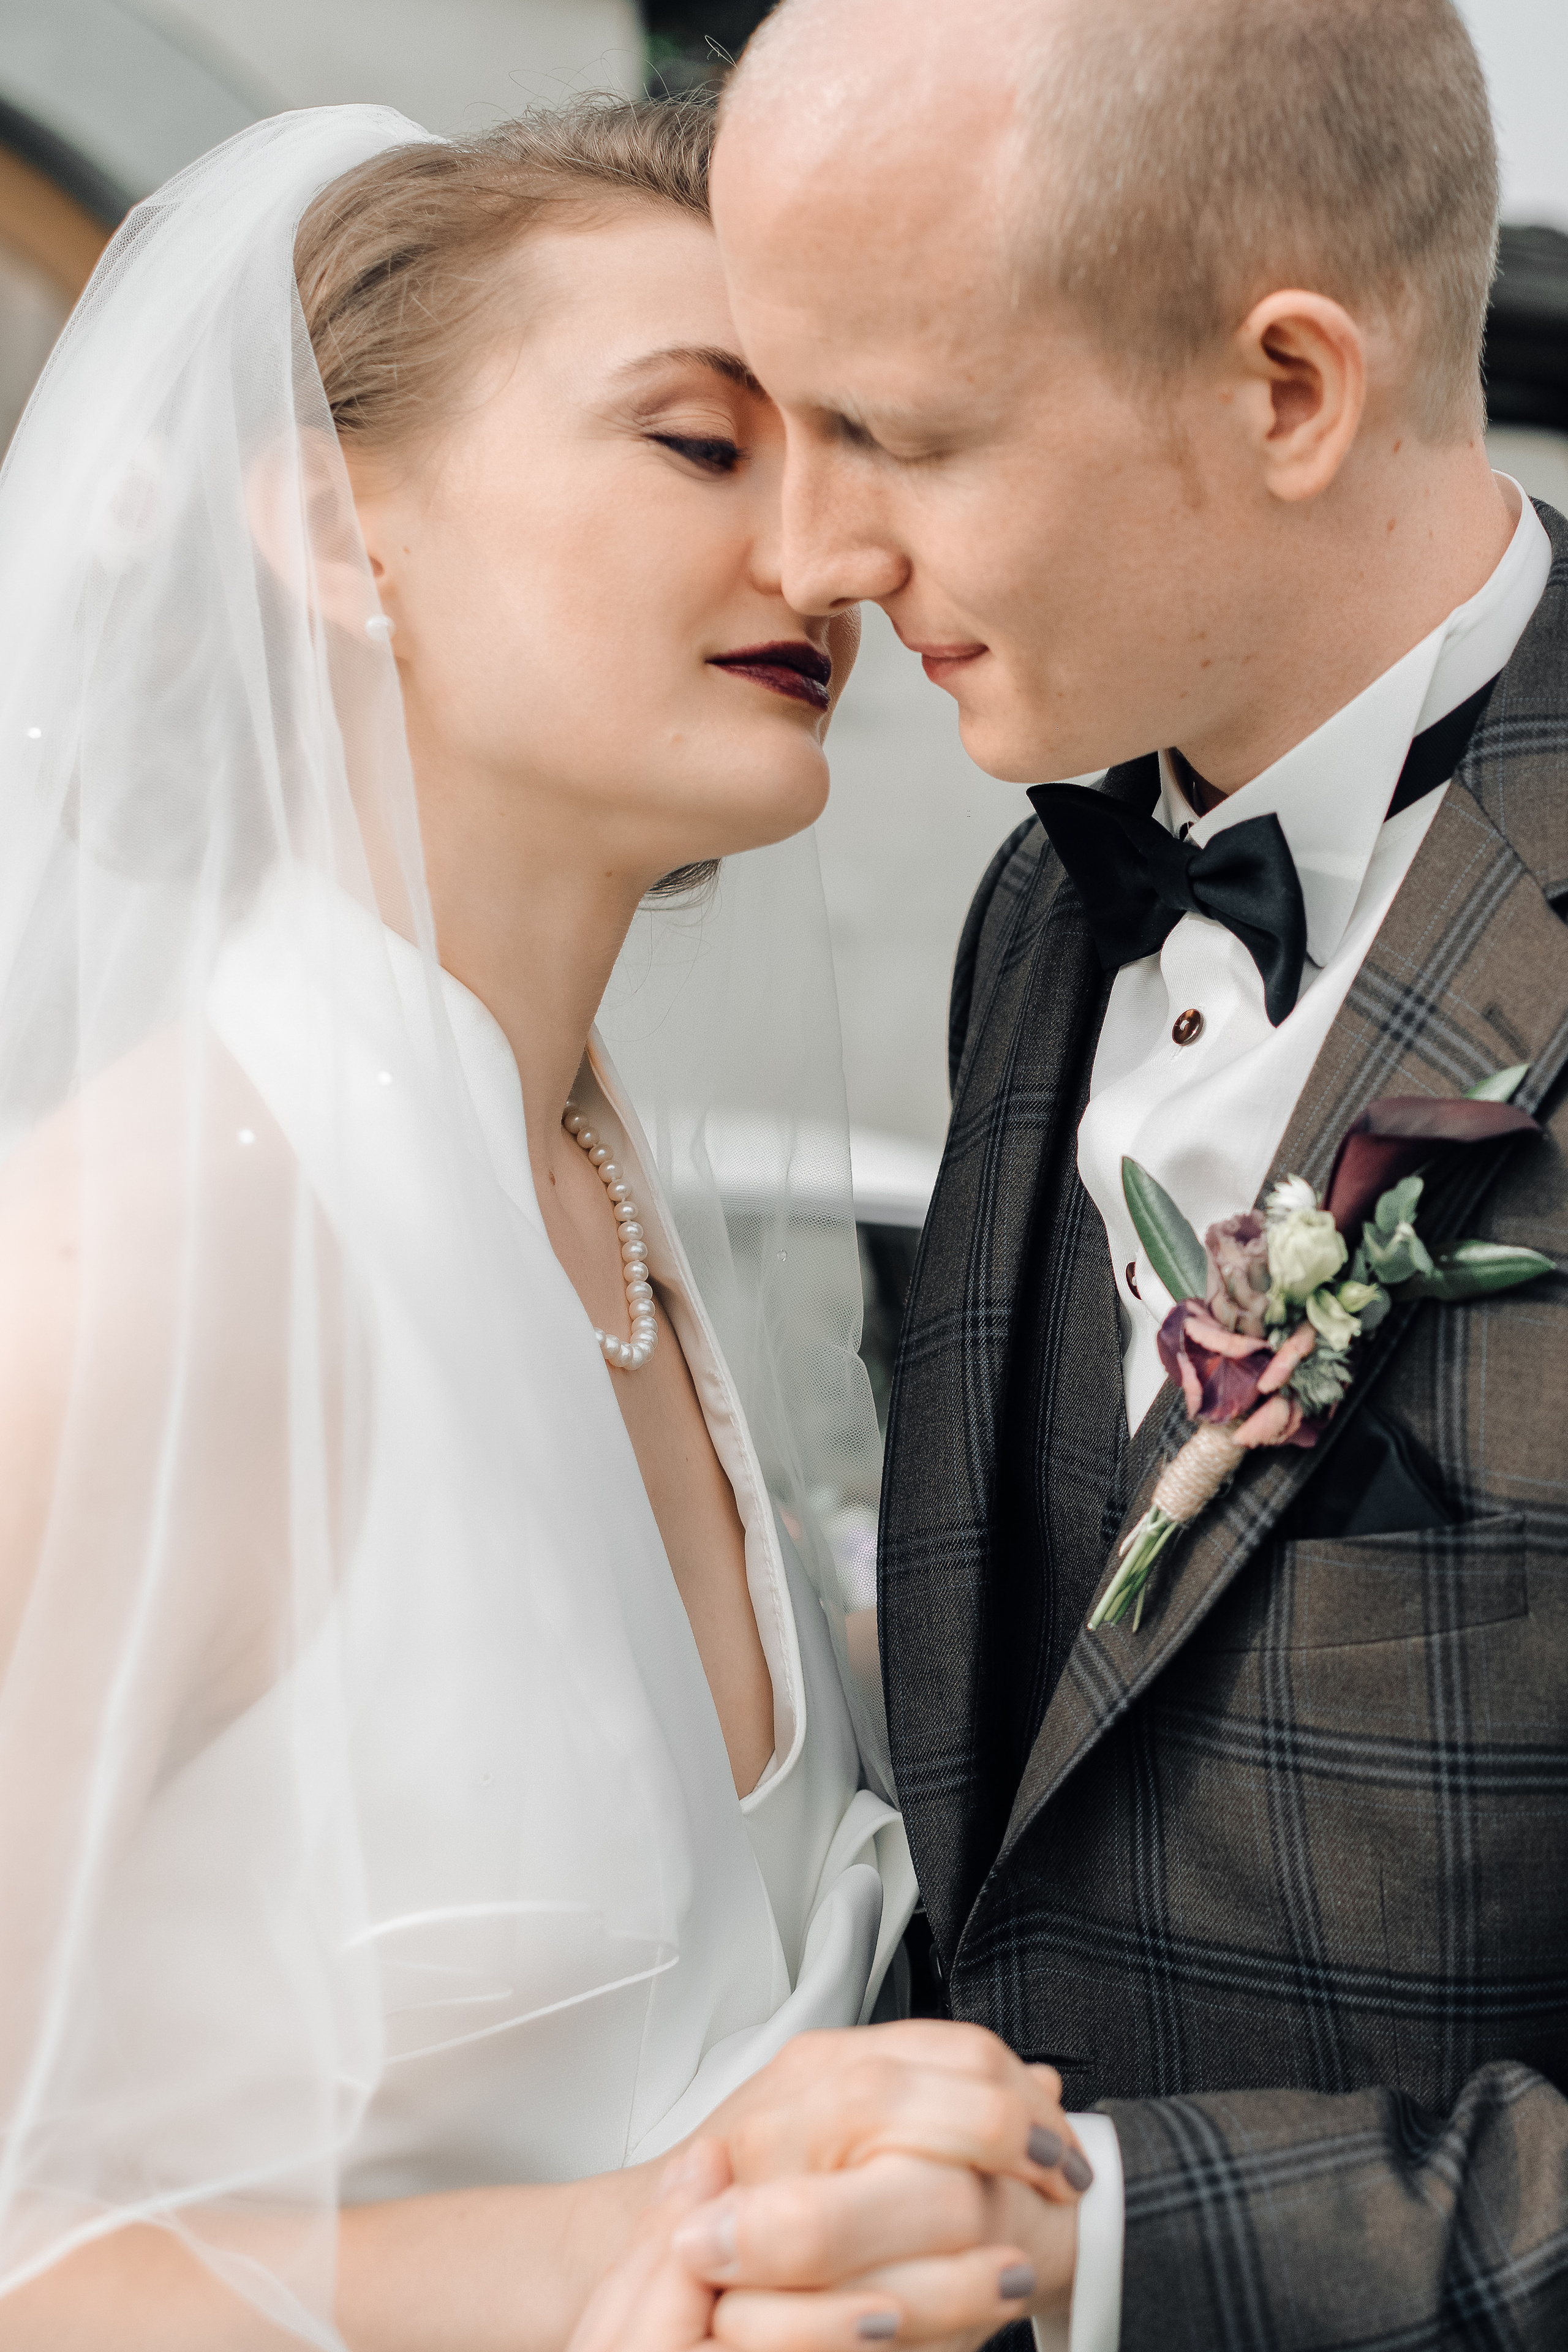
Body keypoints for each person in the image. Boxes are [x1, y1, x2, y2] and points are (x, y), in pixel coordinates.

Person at [0, 96, 1091, 2349]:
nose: (829, 562)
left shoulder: (598, 1190)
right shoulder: (134, 1270)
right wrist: (665, 2246)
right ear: (330, 530)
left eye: (848, 460)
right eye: (703, 445)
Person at [708, 0, 1568, 2344]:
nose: (814, 548)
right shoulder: (1045, 899)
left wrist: (1113, 2243)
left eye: (899, 429)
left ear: (1287, 389)